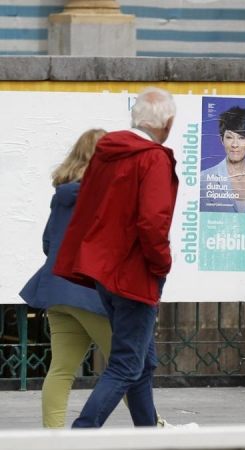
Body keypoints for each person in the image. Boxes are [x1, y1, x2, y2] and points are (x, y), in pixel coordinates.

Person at [19, 129, 181, 429]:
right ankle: (152, 428)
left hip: (56, 292)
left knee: (61, 369)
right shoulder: (106, 195)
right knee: (127, 367)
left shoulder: (62, 196)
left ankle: (52, 440)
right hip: (92, 294)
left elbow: (47, 243)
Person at [53, 87, 179, 428]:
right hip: (134, 273)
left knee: (142, 362)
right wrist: (162, 265)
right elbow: (152, 222)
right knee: (126, 363)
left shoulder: (105, 154)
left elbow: (89, 212)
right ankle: (83, 433)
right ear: (167, 123)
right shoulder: (153, 157)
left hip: (104, 271)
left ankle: (147, 433)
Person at [200, 106, 245, 213]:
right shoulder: (204, 177)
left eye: (241, 138)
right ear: (222, 139)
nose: (234, 144)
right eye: (229, 137)